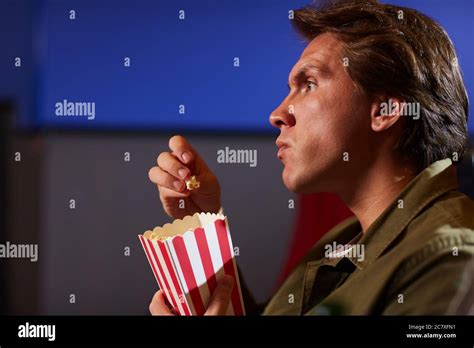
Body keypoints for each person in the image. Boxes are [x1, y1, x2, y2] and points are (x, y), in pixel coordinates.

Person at [148, 0, 474, 315]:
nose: (277, 114)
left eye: (309, 84)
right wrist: (204, 225)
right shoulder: (342, 238)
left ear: (384, 110)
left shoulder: (449, 255)